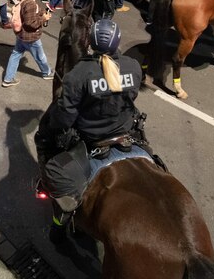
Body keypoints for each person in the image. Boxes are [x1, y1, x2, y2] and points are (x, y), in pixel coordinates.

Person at [37, 19, 143, 237]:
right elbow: (132, 97)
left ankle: (60, 220)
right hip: (127, 133)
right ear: (118, 41)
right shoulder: (133, 66)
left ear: (91, 42)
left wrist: (51, 131)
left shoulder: (78, 73)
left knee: (48, 152)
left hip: (90, 141)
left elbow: (65, 117)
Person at [1, 0, 53, 87]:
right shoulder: (30, 3)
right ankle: (47, 72)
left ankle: (8, 79)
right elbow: (30, 23)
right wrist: (43, 18)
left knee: (15, 54)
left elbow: (27, 15)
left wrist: (40, 12)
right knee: (40, 56)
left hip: (21, 35)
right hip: (31, 36)